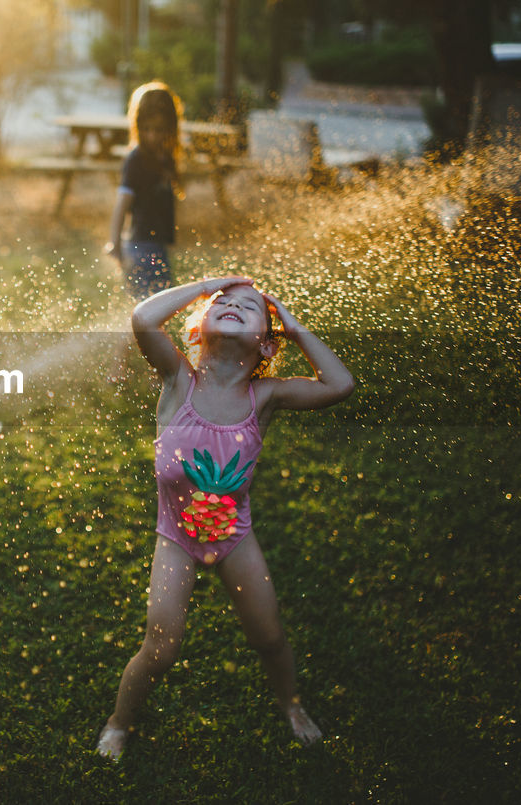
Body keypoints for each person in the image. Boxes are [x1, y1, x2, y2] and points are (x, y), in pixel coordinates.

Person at [95, 276, 355, 760]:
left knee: (270, 636)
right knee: (160, 651)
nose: (233, 305)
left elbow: (340, 385)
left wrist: (295, 329)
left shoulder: (267, 397)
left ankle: (291, 704)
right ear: (200, 324)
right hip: (176, 536)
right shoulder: (178, 380)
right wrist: (211, 284)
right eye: (224, 303)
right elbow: (143, 319)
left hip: (235, 536)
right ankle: (119, 721)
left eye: (249, 308)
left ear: (265, 344)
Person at [105, 82, 185, 299]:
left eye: (158, 129)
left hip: (158, 246)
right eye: (146, 129)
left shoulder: (165, 158)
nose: (152, 136)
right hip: (140, 246)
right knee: (152, 307)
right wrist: (115, 243)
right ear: (137, 126)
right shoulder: (136, 160)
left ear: (170, 127)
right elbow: (122, 203)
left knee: (161, 306)